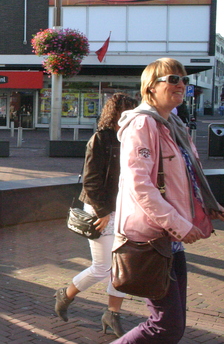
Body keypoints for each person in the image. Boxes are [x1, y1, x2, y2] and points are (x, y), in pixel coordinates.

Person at [112, 58, 224, 343]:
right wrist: (179, 225)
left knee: (174, 323)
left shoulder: (174, 124)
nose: (181, 85)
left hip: (170, 238)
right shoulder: (142, 125)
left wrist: (207, 205)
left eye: (184, 80)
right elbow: (140, 185)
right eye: (173, 79)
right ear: (151, 87)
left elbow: (184, 178)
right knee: (166, 326)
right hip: (151, 238)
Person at [54, 93, 138, 337]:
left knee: (122, 266)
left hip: (126, 210)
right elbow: (90, 183)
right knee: (103, 267)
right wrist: (105, 213)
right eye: (126, 111)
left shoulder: (132, 139)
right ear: (114, 113)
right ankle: (66, 294)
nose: (130, 116)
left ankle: (112, 314)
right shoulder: (100, 139)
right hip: (102, 210)